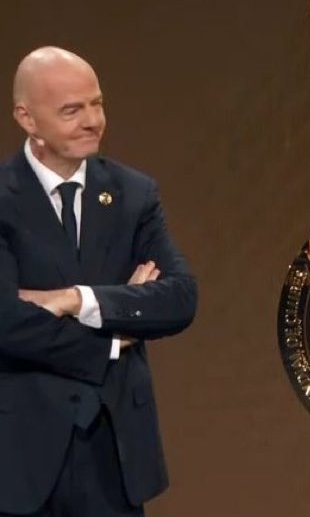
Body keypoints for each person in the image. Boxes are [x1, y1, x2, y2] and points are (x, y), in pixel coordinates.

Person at [0, 46, 197, 516]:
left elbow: (179, 298)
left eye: (98, 104)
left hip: (115, 453)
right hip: (20, 455)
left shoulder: (134, 194)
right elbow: (6, 322)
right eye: (72, 110)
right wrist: (113, 338)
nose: (93, 121)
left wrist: (76, 300)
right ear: (27, 119)